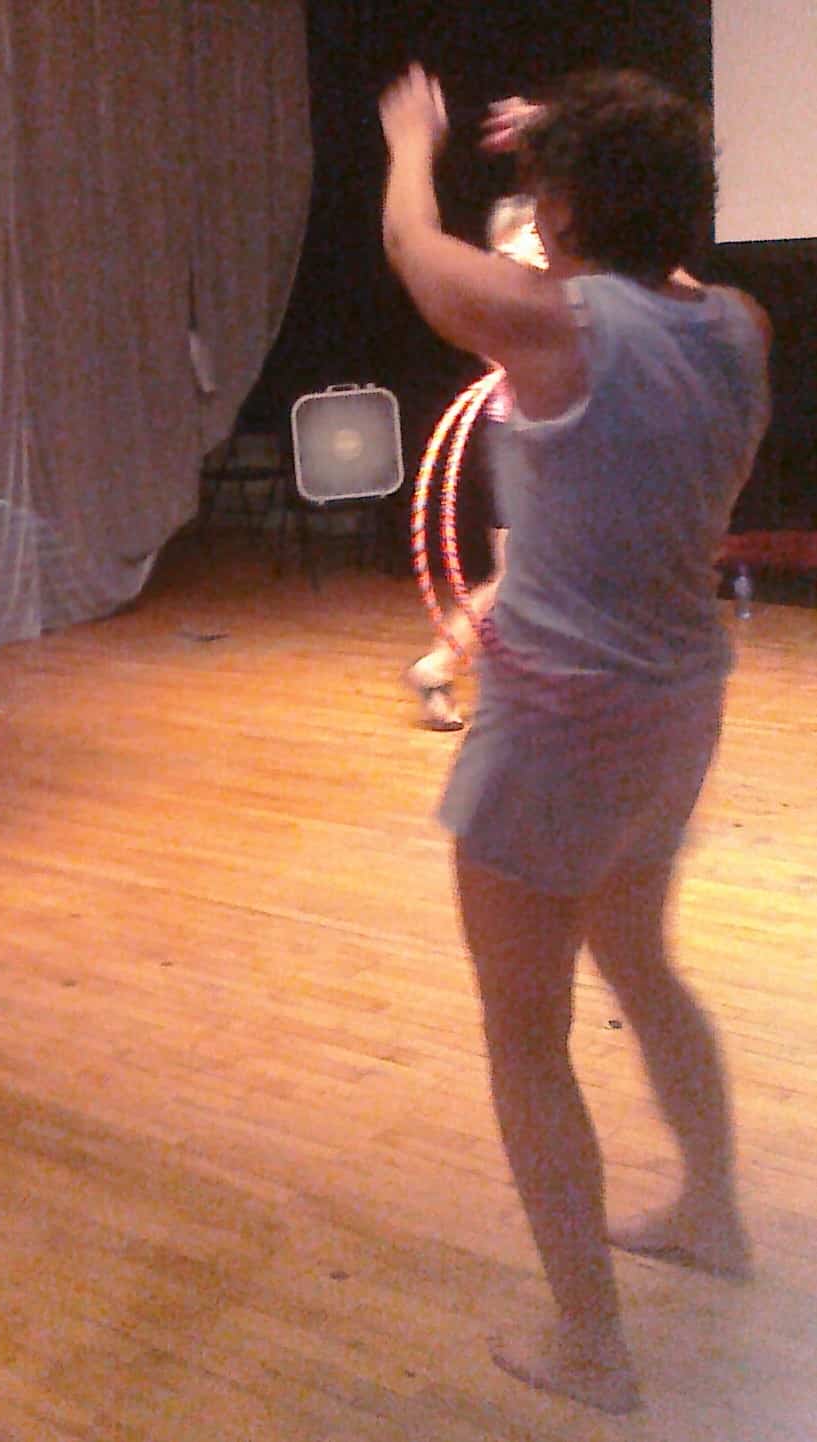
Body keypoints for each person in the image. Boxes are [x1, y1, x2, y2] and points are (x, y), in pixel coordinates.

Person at [378, 67, 771, 1413]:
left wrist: (412, 142)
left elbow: (413, 247)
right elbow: (636, 261)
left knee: (527, 1034)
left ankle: (591, 1345)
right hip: (676, 708)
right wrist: (575, 155)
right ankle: (711, 1211)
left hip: (554, 728)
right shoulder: (738, 326)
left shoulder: (547, 322)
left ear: (558, 207)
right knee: (641, 962)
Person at [404, 194, 546, 731]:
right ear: (505, 241)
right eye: (531, 232)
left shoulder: (550, 287)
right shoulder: (497, 290)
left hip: (548, 439)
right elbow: (506, 354)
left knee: (533, 573)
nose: (542, 241)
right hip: (519, 438)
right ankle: (439, 666)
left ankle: (459, 672)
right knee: (518, 573)